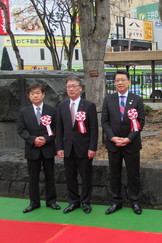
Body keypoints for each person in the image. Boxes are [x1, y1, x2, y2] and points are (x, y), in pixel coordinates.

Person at [102, 70, 145, 215]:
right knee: (114, 173)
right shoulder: (108, 99)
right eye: (117, 80)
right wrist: (113, 137)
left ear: (129, 82)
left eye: (122, 80)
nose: (119, 83)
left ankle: (135, 201)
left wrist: (129, 138)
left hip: (131, 144)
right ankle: (116, 201)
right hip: (113, 144)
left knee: (133, 174)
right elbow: (105, 122)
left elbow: (140, 122)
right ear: (114, 83)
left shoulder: (137, 99)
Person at [56, 75, 98, 214]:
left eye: (74, 86)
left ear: (80, 88)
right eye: (69, 86)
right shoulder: (62, 106)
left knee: (86, 176)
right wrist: (60, 147)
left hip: (84, 148)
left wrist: (92, 147)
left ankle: (85, 201)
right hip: (68, 148)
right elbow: (59, 129)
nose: (71, 89)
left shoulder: (89, 106)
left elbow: (94, 129)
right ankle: (73, 201)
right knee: (70, 176)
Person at [17, 82, 60, 213]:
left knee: (50, 176)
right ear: (29, 96)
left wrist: (46, 139)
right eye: (32, 94)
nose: (35, 96)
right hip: (32, 149)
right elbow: (21, 129)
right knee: (33, 177)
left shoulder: (52, 110)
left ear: (43, 94)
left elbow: (56, 128)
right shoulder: (23, 112)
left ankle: (51, 201)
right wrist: (33, 139)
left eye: (37, 93)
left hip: (48, 149)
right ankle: (34, 202)